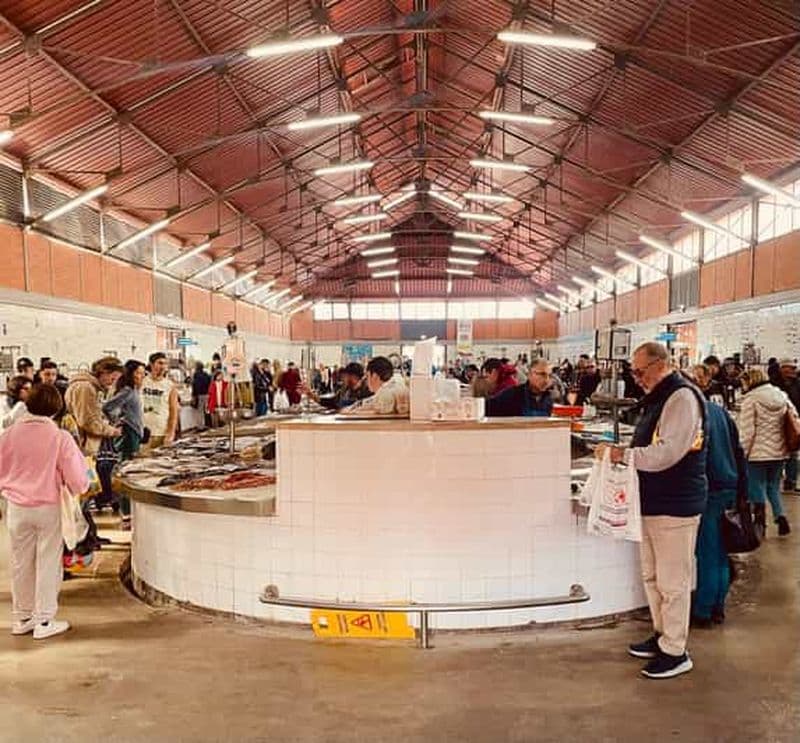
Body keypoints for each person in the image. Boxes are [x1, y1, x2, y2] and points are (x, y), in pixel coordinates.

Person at [598, 342, 707, 680]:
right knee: (652, 575)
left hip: (675, 505)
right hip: (652, 501)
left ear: (661, 365)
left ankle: (676, 650)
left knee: (674, 582)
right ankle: (662, 635)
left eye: (640, 371)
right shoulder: (661, 396)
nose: (637, 378)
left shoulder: (682, 398)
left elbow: (668, 453)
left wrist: (622, 456)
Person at [0, 384, 89, 639]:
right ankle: (44, 620)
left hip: (16, 508)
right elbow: (78, 480)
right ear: (56, 408)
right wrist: (78, 487)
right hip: (48, 507)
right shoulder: (60, 438)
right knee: (48, 562)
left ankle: (22, 617)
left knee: (20, 563)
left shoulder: (8, 435)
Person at [692, 397, 748, 628]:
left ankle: (703, 611)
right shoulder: (720, 412)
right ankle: (718, 607)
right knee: (721, 552)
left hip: (709, 488)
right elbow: (738, 450)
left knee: (707, 553)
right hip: (728, 485)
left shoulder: (694, 414)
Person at [738, 368, 796, 537]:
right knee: (773, 486)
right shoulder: (781, 395)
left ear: (749, 381)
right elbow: (794, 418)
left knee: (756, 485)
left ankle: (760, 522)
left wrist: (743, 453)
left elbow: (747, 432)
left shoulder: (751, 400)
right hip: (779, 452)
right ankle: (781, 516)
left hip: (757, 453)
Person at [63, 357, 123, 454]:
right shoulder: (86, 388)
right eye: (112, 378)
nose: (112, 383)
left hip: (83, 443)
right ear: (103, 372)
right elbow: (87, 421)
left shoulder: (91, 387)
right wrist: (112, 431)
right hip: (83, 445)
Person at [486, 360, 556, 417]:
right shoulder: (513, 395)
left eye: (549, 375)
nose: (546, 380)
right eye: (542, 374)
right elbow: (486, 408)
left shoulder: (549, 399)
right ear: (529, 375)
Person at [341, 356, 408, 416]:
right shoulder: (392, 386)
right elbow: (371, 402)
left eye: (367, 376)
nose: (366, 381)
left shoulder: (387, 392)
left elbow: (382, 411)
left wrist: (353, 412)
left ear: (374, 376)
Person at [140, 352, 179, 449]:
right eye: (160, 363)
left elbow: (173, 411)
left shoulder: (170, 385)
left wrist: (170, 433)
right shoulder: (141, 381)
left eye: (165, 364)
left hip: (161, 433)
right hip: (142, 432)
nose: (163, 367)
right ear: (151, 364)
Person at [775, 358, 800, 492]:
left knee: (793, 452)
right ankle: (776, 479)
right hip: (777, 422)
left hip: (793, 422)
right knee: (778, 453)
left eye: (794, 368)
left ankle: (791, 481)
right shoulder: (774, 383)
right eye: (791, 368)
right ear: (782, 368)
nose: (793, 371)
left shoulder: (797, 384)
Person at [304, 362, 371, 410]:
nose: (343, 379)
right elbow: (331, 402)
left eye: (346, 376)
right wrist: (311, 395)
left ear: (353, 376)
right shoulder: (345, 391)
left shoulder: (367, 393)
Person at [191, 362, 212, 428]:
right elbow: (209, 384)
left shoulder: (196, 375)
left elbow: (195, 386)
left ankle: (200, 426)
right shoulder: (206, 375)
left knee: (199, 411)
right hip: (206, 394)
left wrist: (193, 395)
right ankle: (208, 423)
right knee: (207, 410)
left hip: (199, 395)